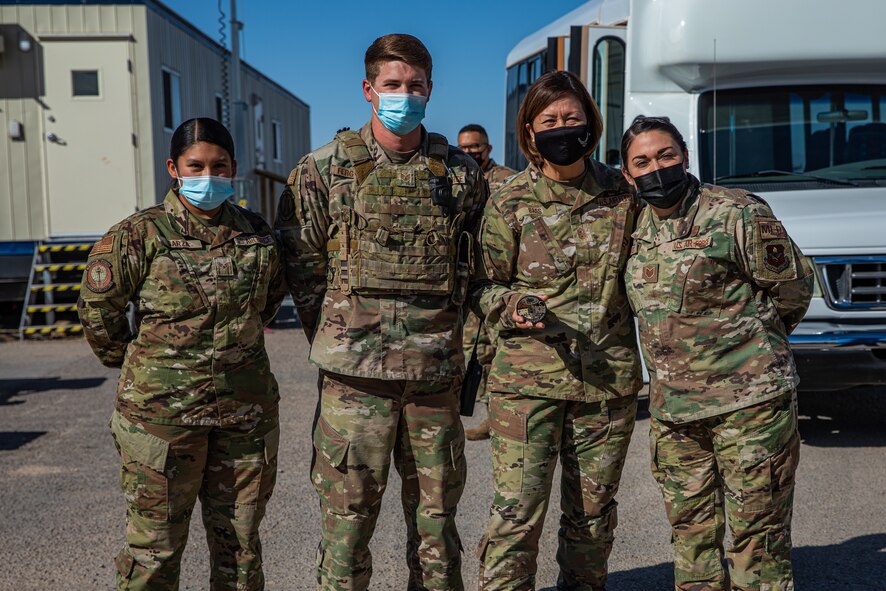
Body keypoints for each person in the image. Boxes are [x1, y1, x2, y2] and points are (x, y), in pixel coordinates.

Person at [274, 34, 487, 591]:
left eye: (414, 85)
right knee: (346, 527)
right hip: (354, 383)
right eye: (392, 85)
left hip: (434, 379)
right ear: (368, 89)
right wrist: (342, 337)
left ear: (430, 90)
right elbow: (303, 269)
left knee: (438, 528)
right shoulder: (321, 171)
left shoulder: (462, 175)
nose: (404, 94)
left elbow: (480, 268)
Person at [78, 117, 286, 590]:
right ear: (173, 167)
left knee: (241, 548)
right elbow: (98, 311)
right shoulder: (138, 235)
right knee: (155, 549)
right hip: (161, 422)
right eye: (196, 166)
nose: (207, 176)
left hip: (244, 418)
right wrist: (138, 368)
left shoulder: (256, 234)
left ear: (234, 169)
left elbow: (268, 302)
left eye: (219, 166)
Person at [621, 115, 814, 591]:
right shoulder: (632, 228)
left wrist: (752, 347)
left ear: (685, 156)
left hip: (749, 407)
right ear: (627, 174)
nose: (655, 168)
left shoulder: (735, 211)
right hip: (675, 415)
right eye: (641, 161)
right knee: (691, 538)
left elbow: (793, 288)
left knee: (758, 540)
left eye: (665, 155)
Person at [471, 70, 641, 591]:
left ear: (591, 123)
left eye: (573, 118)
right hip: (527, 385)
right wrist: (513, 303)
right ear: (529, 132)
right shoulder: (508, 202)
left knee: (592, 517)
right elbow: (480, 286)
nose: (563, 128)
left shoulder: (623, 193)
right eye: (550, 120)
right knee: (517, 514)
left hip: (606, 384)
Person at [456, 124, 517, 441]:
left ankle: (502, 417)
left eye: (475, 147)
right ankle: (488, 412)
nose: (469, 153)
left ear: (488, 148)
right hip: (468, 277)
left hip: (497, 275)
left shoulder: (508, 179)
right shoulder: (455, 176)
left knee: (499, 350)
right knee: (474, 350)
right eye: (464, 148)